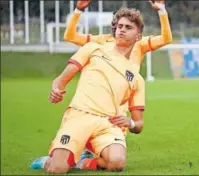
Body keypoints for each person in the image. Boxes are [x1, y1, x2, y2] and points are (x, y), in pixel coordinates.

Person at [32, 6, 146, 174]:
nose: (122, 30)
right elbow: (61, 79)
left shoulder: (137, 78)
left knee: (117, 163)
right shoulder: (93, 49)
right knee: (57, 169)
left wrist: (130, 123)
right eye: (120, 26)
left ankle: (83, 161)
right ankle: (47, 161)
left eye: (128, 27)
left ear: (138, 36)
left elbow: (139, 125)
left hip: (108, 124)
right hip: (79, 115)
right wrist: (56, 89)